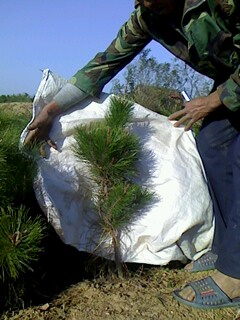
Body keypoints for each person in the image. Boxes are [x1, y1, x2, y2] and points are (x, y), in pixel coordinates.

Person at [25, 0, 240, 309]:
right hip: (232, 83)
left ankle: (236, 275)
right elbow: (101, 67)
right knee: (211, 144)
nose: (139, 1)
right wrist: (50, 111)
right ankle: (226, 247)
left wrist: (212, 101)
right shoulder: (147, 17)